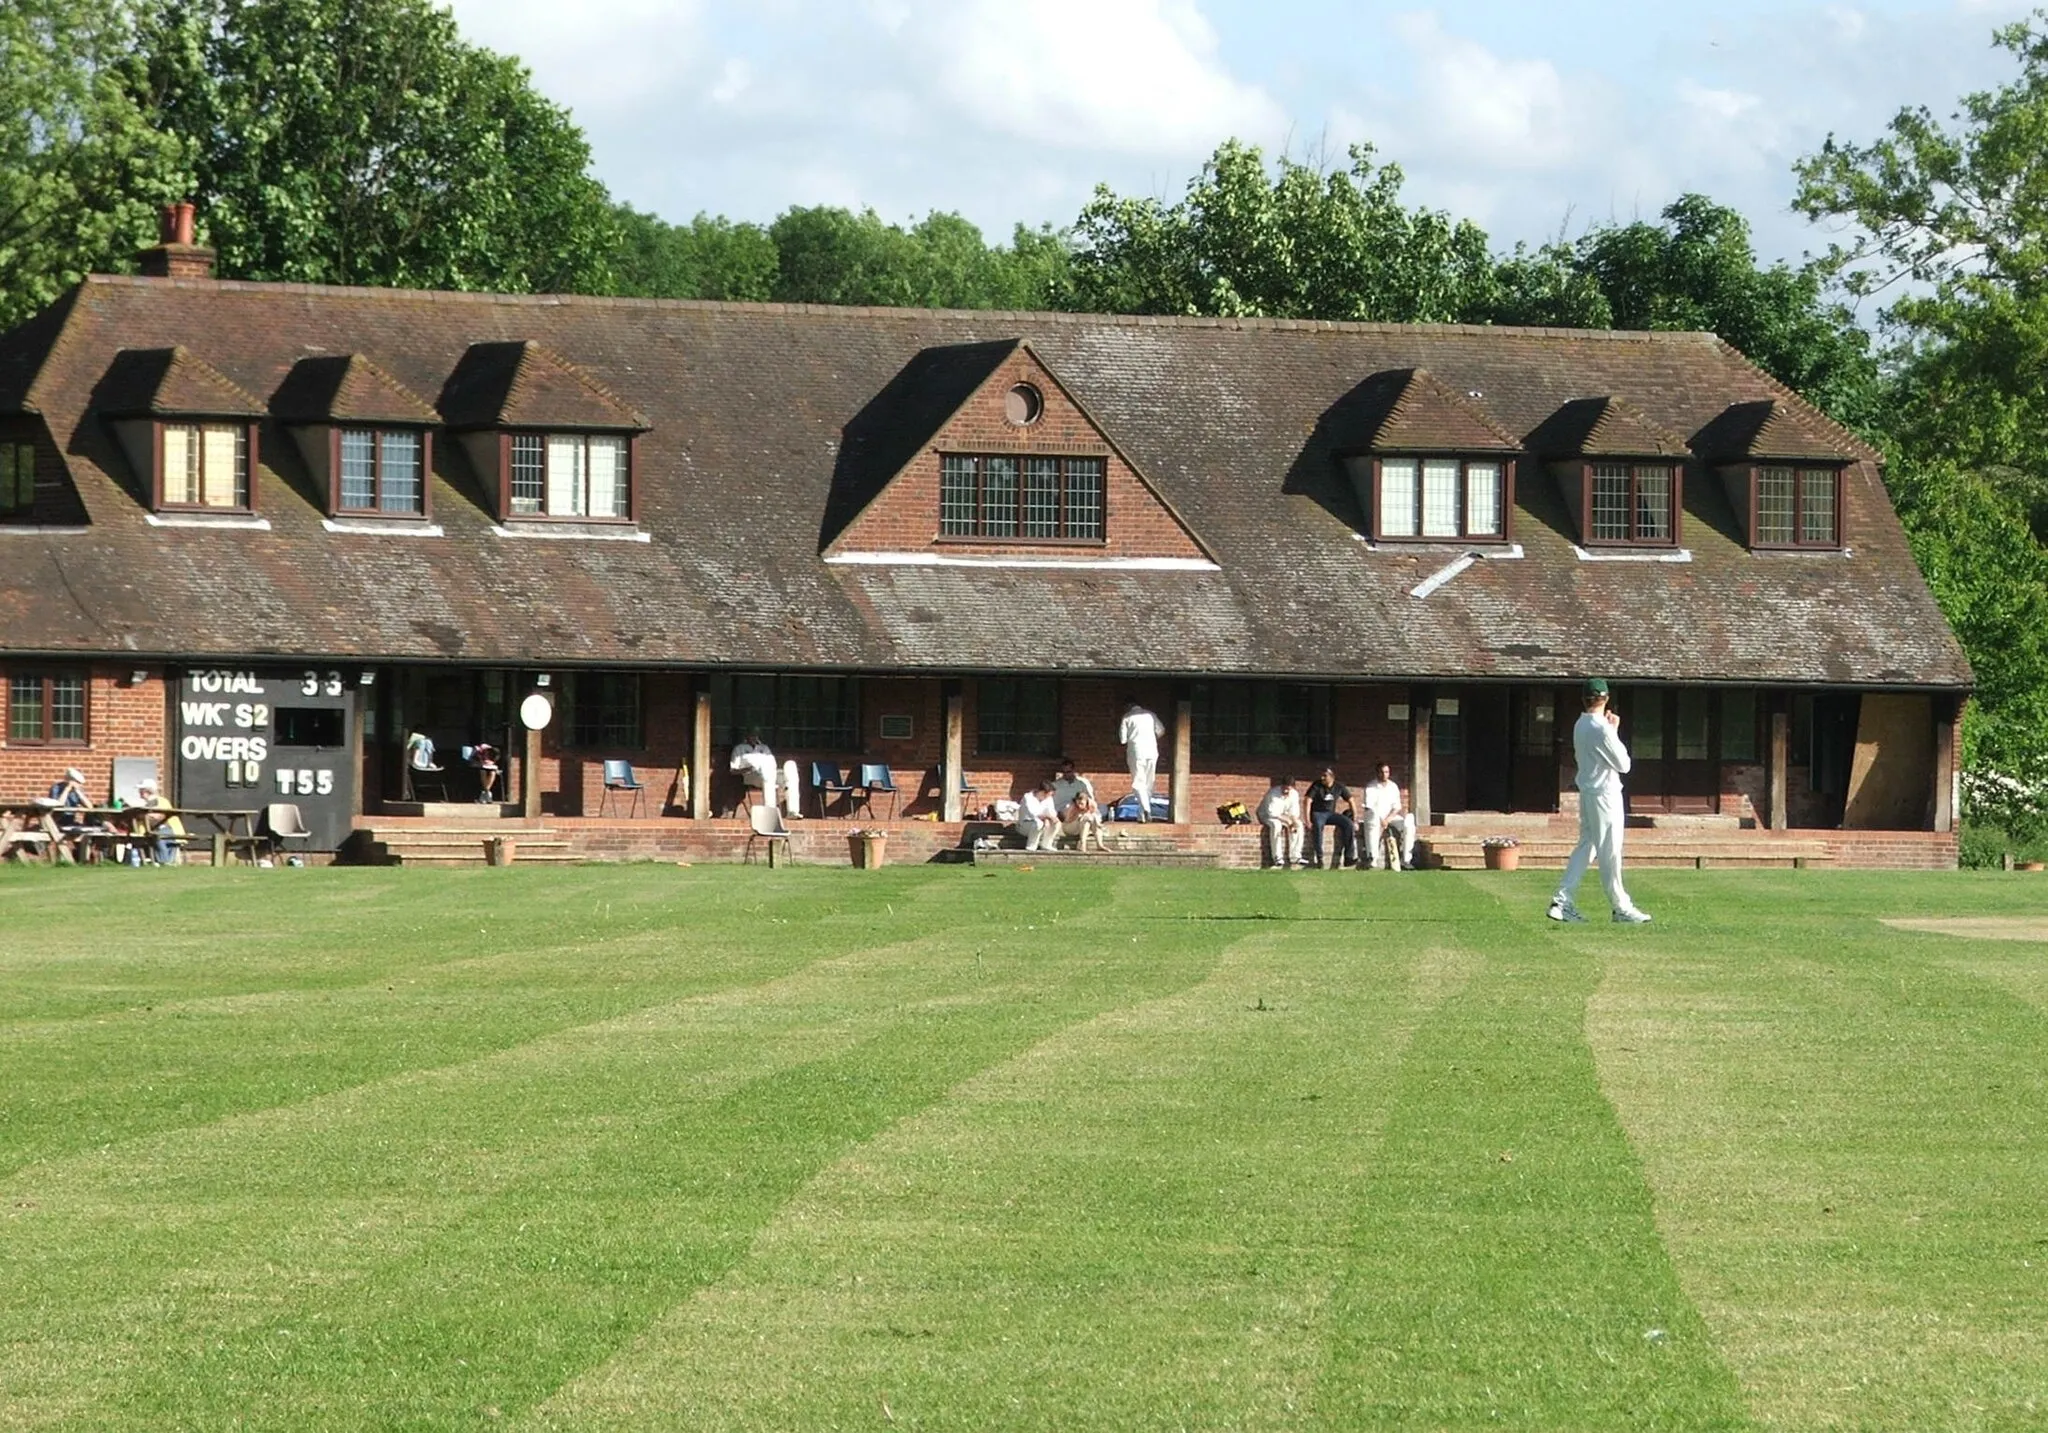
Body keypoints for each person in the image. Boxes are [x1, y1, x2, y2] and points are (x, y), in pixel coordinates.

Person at [1549, 678, 1652, 924]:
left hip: (1588, 792)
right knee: (1611, 851)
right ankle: (1621, 907)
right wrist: (1614, 731)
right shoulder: (1601, 728)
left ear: (1584, 699)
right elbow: (1624, 764)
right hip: (1604, 795)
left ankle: (1562, 901)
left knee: (1587, 846)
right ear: (1605, 699)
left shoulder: (1580, 724)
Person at [729, 730, 802, 817]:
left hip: (769, 773)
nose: (754, 737)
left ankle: (792, 812)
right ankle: (770, 812)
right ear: (746, 735)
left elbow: (772, 764)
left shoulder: (764, 748)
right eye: (752, 734)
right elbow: (733, 770)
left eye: (756, 734)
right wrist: (749, 769)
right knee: (768, 773)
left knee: (790, 765)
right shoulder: (739, 748)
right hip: (752, 775)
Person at [1360, 763, 1418, 870]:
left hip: (1390, 817)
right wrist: (1382, 820)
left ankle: (1406, 860)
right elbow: (1370, 807)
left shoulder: (1393, 786)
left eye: (1386, 772)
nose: (1384, 775)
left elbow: (1397, 807)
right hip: (1375, 816)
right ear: (1377, 773)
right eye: (1382, 772)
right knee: (1372, 821)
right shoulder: (1371, 787)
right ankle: (1372, 858)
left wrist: (1388, 819)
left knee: (1409, 823)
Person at [1118, 701, 1166, 821]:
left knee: (1138, 781)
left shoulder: (1127, 717)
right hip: (1151, 750)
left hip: (1136, 751)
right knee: (1149, 782)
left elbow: (1123, 739)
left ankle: (1146, 809)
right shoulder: (1151, 714)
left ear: (1128, 706)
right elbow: (1161, 731)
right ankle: (1142, 814)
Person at [1051, 757, 1106, 852]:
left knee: (1090, 817)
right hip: (1066, 819)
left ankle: (1098, 845)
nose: (1066, 775)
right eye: (1064, 772)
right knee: (1087, 818)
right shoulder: (1055, 786)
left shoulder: (1081, 784)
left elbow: (1090, 801)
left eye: (1069, 771)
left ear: (1073, 770)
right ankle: (1084, 844)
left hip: (1082, 816)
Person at [1304, 767, 1355, 869]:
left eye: (1325, 776)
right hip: (1318, 813)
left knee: (1348, 824)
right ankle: (1319, 858)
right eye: (1322, 776)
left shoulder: (1338, 786)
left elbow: (1351, 800)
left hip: (1331, 814)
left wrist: (1355, 818)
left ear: (1332, 777)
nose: (1322, 778)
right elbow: (1307, 801)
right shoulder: (1316, 785)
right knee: (1318, 826)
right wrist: (1307, 820)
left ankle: (1348, 858)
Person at [128, 780, 185, 865]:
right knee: (153, 836)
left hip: (170, 829)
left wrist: (145, 816)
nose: (139, 792)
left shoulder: (160, 801)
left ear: (147, 791)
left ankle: (163, 862)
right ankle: (164, 862)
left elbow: (159, 816)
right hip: (157, 830)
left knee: (158, 837)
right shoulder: (148, 804)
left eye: (141, 790)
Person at [1256, 775, 1306, 869]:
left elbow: (1294, 813)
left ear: (1293, 788)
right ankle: (1277, 857)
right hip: (1267, 815)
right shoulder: (1273, 793)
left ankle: (1295, 856)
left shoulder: (1294, 794)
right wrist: (1288, 822)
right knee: (1276, 825)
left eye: (1288, 789)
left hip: (1284, 816)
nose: (1286, 791)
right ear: (1281, 785)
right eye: (1284, 788)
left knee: (1299, 825)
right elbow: (1272, 813)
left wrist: (1293, 823)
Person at [1016, 779, 1062, 852]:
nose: (1050, 797)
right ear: (1043, 792)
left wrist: (1050, 819)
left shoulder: (1049, 798)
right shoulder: (1028, 797)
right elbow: (1034, 814)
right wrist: (1047, 818)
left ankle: (1046, 844)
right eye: (1049, 794)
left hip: (1043, 825)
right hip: (1025, 825)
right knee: (1038, 823)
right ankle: (1031, 846)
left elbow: (1052, 812)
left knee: (1057, 823)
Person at [402, 731, 442, 801]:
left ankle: (429, 762)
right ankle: (417, 761)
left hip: (425, 762)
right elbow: (410, 759)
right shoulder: (416, 742)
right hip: (414, 762)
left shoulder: (427, 742)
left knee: (428, 741)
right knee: (420, 742)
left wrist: (429, 763)